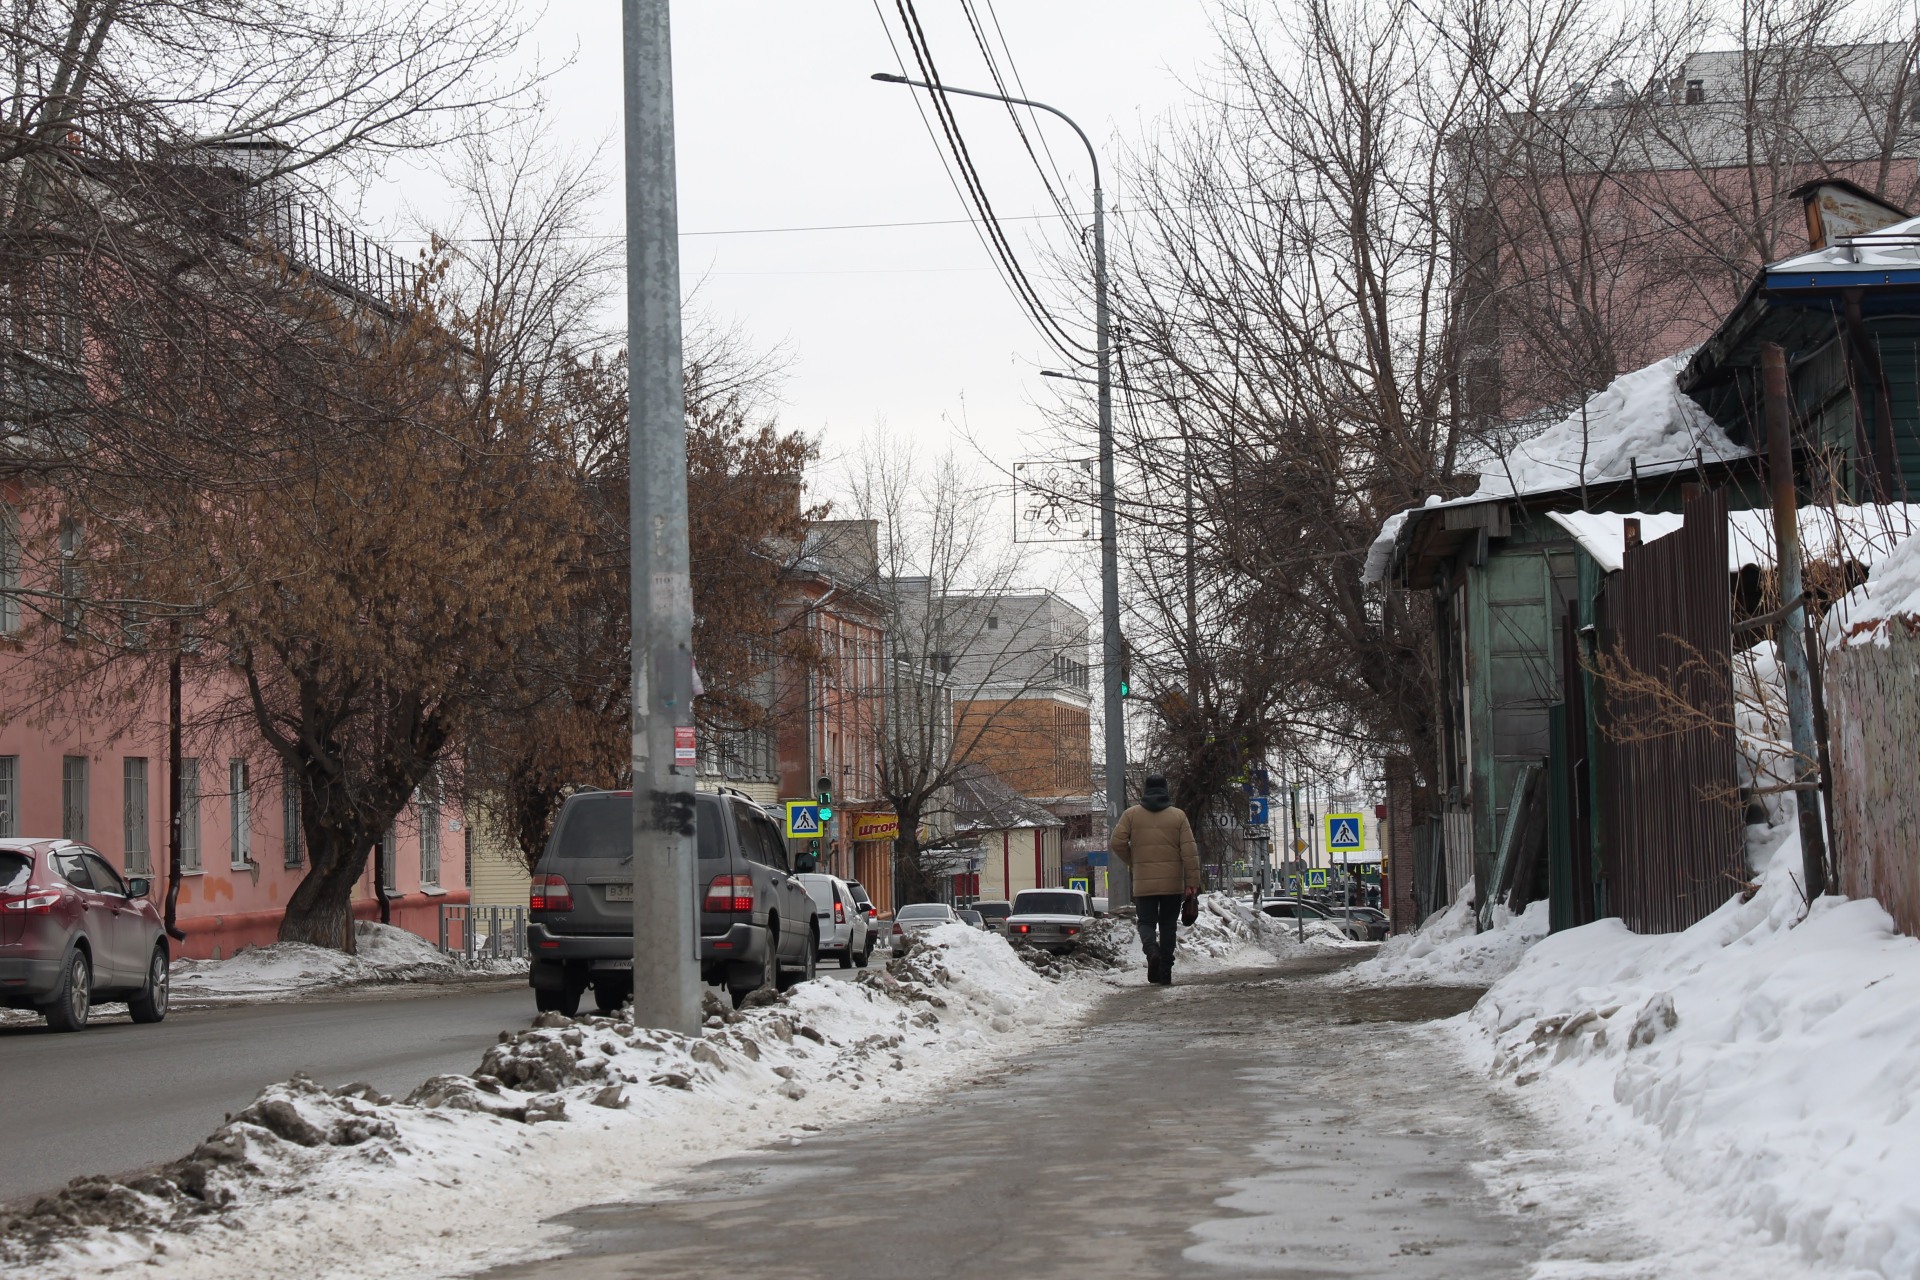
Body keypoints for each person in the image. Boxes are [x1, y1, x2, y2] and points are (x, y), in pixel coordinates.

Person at [1109, 773, 1201, 986]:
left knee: (1146, 923)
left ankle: (1152, 953)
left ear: (1146, 790)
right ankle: (1165, 971)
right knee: (1168, 926)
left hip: (1144, 883)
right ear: (1165, 790)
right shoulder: (1178, 816)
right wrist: (1192, 883)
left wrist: (1134, 861)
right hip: (1172, 885)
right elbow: (1190, 852)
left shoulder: (1131, 815)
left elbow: (1117, 842)